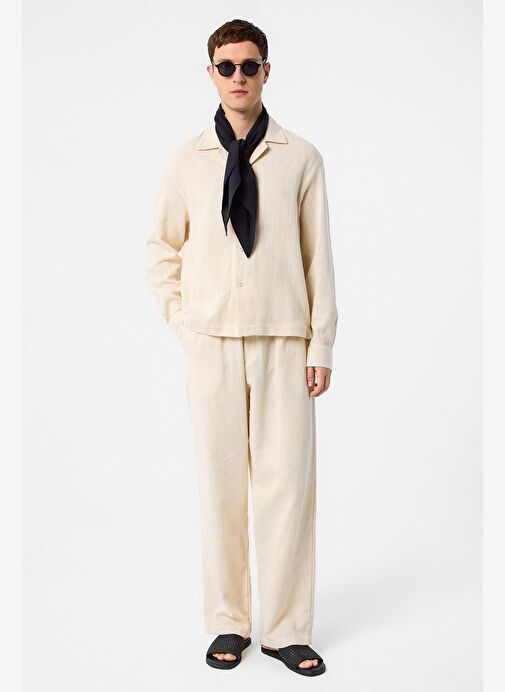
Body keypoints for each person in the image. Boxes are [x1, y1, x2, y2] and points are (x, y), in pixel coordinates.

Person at [145, 18, 338, 677]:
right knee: (220, 487)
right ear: (210, 74)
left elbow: (317, 259)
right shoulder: (186, 161)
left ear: (266, 72)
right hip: (213, 346)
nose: (237, 77)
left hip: (284, 340)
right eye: (225, 66)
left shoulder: (300, 157)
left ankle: (286, 629)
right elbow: (161, 249)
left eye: (249, 65)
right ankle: (230, 621)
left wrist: (320, 343)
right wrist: (185, 323)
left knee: (287, 489)